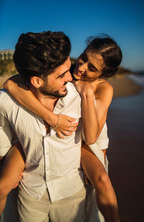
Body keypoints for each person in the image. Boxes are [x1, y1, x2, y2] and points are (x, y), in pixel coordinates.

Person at [1, 32, 122, 222]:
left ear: (103, 74)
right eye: (83, 58)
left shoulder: (103, 88)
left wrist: (87, 94)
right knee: (6, 181)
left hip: (86, 141)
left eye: (91, 68)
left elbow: (92, 138)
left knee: (103, 182)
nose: (80, 68)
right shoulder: (67, 71)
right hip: (57, 136)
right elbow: (11, 83)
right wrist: (52, 118)